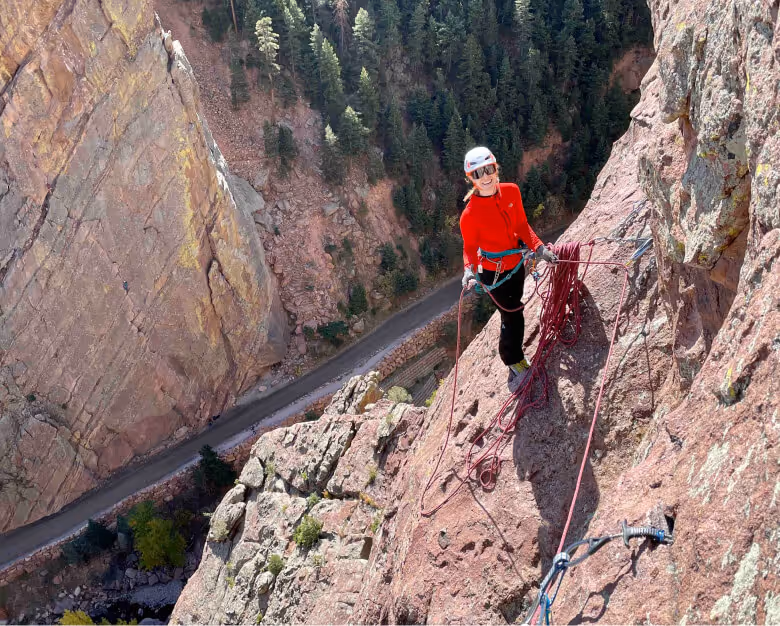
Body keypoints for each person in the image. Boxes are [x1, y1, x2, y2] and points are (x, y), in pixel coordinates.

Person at [459, 146, 558, 381]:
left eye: (488, 170)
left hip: (516, 266)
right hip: (492, 273)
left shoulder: (511, 192)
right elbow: (470, 249)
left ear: (495, 168)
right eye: (478, 173)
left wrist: (539, 248)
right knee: (513, 314)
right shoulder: (469, 215)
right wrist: (469, 271)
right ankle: (513, 360)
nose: (485, 177)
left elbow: (522, 226)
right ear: (470, 179)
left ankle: (513, 356)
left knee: (512, 311)